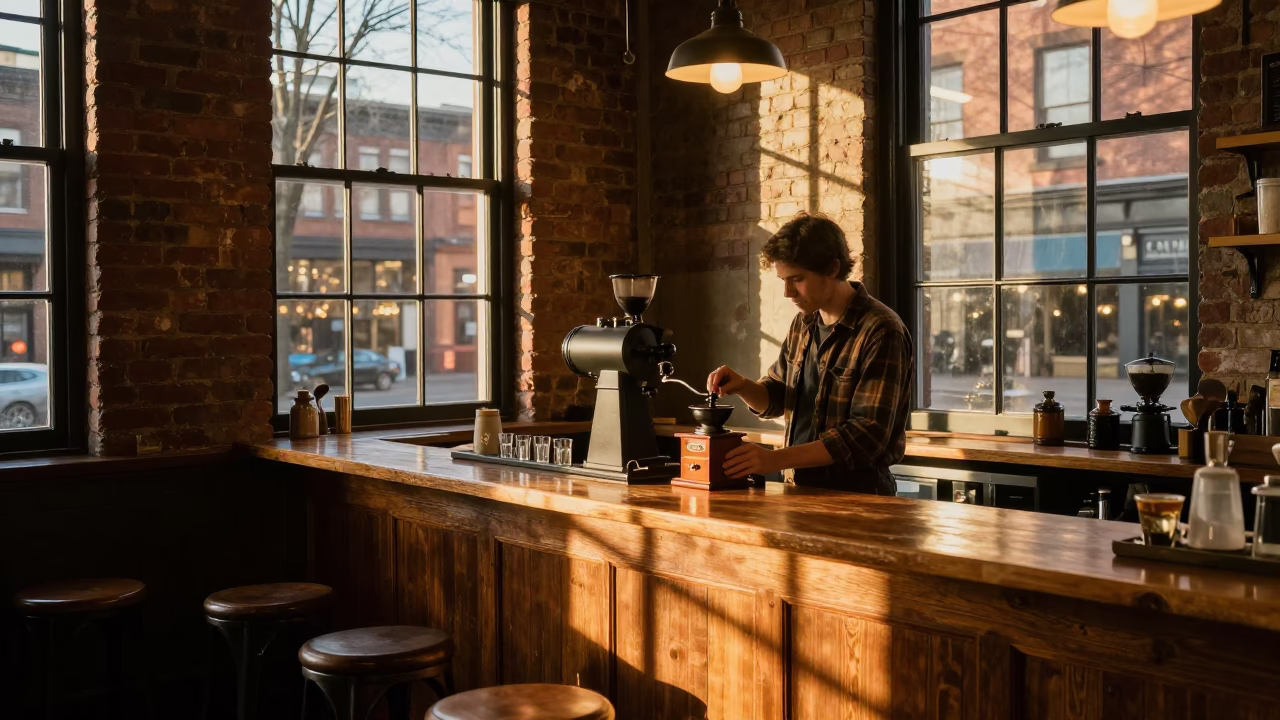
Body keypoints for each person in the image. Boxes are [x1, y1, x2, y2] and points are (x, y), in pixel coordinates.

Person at [706, 214, 914, 495]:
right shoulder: (803, 324)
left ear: (832, 269)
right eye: (783, 280)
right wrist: (743, 386)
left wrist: (774, 458)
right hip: (798, 488)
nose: (787, 292)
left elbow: (866, 435)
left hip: (858, 495)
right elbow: (779, 396)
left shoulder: (881, 329)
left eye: (797, 279)